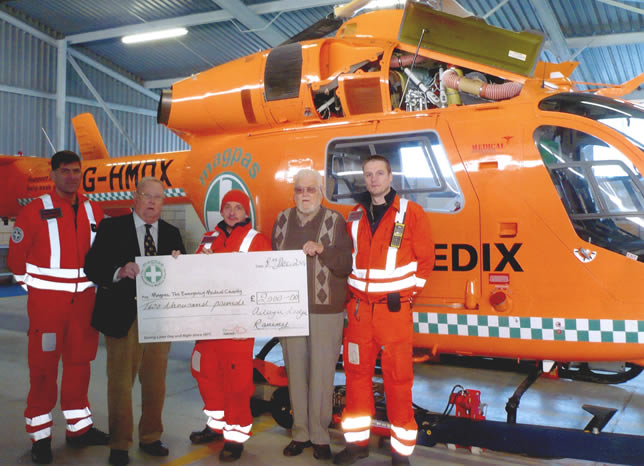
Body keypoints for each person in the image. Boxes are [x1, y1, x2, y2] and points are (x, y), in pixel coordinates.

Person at [8, 150, 109, 464]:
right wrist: (37, 291)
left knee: (80, 367)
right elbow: (15, 259)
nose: (71, 176)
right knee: (43, 371)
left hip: (84, 308)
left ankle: (79, 429)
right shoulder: (34, 211)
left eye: (76, 171)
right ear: (52, 175)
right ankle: (41, 438)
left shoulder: (95, 211)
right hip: (48, 310)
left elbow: (105, 253)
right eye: (64, 171)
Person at [333, 155, 434, 466]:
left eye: (379, 173)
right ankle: (356, 445)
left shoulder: (411, 213)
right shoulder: (354, 216)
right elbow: (347, 259)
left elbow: (425, 260)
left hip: (393, 313)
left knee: (398, 381)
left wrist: (405, 295)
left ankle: (400, 453)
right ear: (364, 180)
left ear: (391, 177)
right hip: (361, 312)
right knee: (356, 380)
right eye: (368, 174)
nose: (373, 179)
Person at [84, 177, 185, 466]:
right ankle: (119, 443)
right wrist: (119, 270)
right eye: (147, 196)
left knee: (155, 382)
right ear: (135, 197)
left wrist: (181, 263)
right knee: (120, 382)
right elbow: (92, 266)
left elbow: (183, 275)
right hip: (122, 317)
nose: (152, 202)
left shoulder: (171, 234)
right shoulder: (111, 227)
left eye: (158, 197)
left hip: (159, 319)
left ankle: (151, 436)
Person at [272, 169, 352, 460]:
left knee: (321, 374)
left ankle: (320, 435)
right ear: (293, 193)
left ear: (321, 192)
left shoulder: (335, 220)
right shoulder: (281, 220)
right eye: (299, 190)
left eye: (310, 190)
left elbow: (346, 264)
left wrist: (323, 250)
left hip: (325, 311)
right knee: (296, 373)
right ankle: (300, 432)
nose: (304, 195)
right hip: (290, 310)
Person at [188, 189, 271, 462]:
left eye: (238, 207)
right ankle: (215, 425)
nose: (233, 212)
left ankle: (235, 437)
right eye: (228, 207)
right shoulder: (209, 237)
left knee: (237, 382)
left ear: (246, 213)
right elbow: (195, 275)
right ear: (221, 211)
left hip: (238, 326)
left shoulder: (257, 240)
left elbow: (265, 281)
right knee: (205, 373)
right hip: (208, 323)